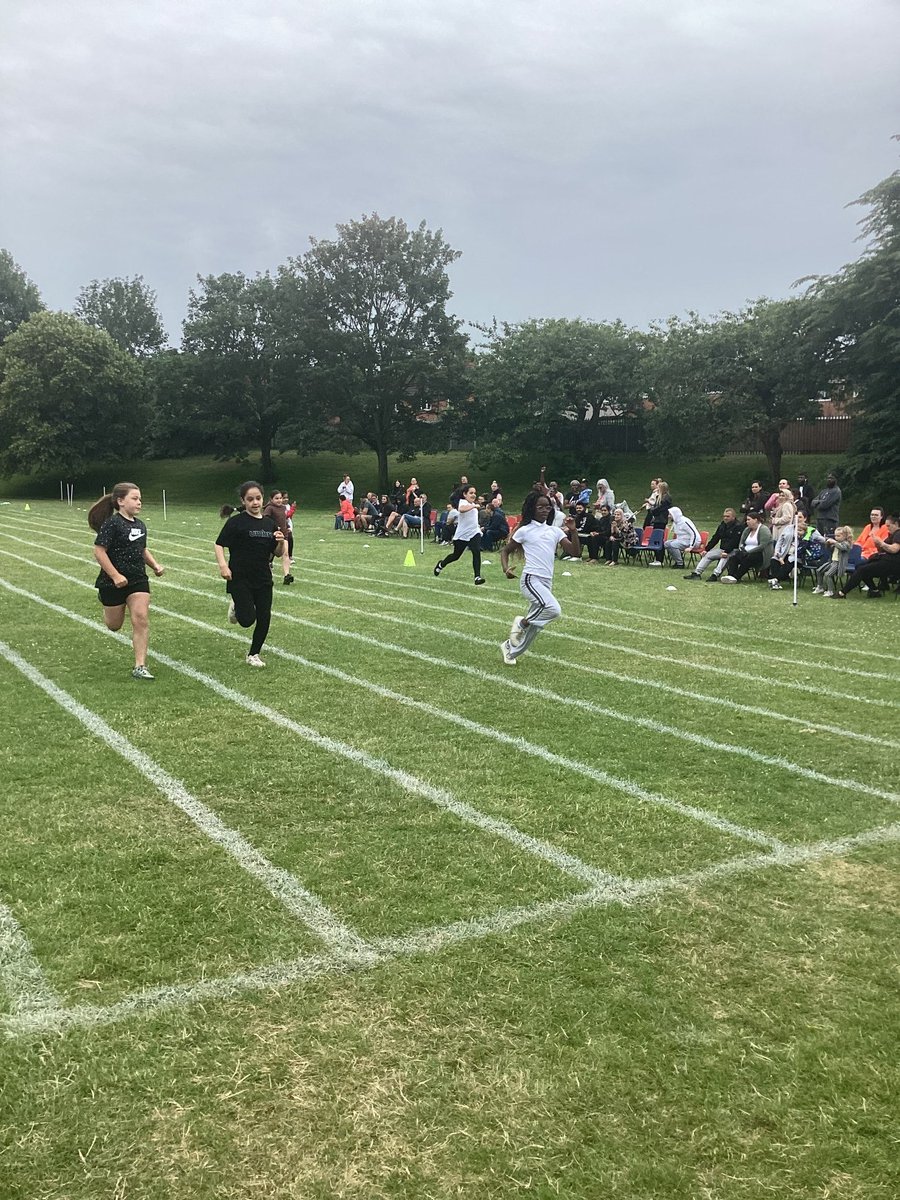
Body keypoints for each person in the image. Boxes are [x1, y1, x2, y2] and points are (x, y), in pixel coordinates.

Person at [88, 482, 164, 681]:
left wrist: (155, 565)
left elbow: (142, 549)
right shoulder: (112, 524)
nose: (139, 502)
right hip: (112, 582)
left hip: (138, 579)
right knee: (114, 625)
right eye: (135, 498)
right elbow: (99, 551)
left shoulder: (140, 524)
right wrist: (115, 576)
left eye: (140, 499)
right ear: (120, 501)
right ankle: (106, 604)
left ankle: (140, 666)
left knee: (140, 618)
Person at [498, 491, 577, 665]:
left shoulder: (555, 531)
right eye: (540, 507)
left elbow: (575, 552)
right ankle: (522, 623)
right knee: (553, 609)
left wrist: (573, 531)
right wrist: (506, 569)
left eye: (547, 507)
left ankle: (510, 651)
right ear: (532, 508)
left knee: (537, 625)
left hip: (546, 581)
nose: (544, 510)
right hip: (531, 579)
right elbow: (505, 551)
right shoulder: (525, 530)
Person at [215, 481, 286, 667]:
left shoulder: (269, 524)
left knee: (264, 617)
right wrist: (223, 565)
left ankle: (253, 654)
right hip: (240, 577)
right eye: (250, 499)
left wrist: (280, 542)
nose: (255, 503)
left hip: (263, 577)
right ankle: (237, 606)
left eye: (258, 498)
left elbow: (277, 554)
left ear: (263, 499)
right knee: (247, 620)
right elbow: (219, 544)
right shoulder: (236, 522)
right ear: (243, 501)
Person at [834, 513, 900, 599]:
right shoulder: (892, 535)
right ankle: (874, 591)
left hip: (894, 563)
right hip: (886, 560)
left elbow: (894, 549)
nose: (887, 528)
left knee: (862, 570)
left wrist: (881, 543)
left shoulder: (898, 534)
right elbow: (882, 549)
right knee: (860, 566)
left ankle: (842, 593)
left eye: (889, 526)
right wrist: (877, 544)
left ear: (896, 524)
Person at [433, 485, 485, 584]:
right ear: (465, 494)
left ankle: (477, 577)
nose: (473, 495)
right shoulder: (463, 502)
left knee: (476, 552)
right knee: (456, 556)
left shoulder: (472, 504)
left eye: (474, 493)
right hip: (462, 534)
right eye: (471, 493)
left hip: (474, 532)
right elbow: (461, 509)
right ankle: (441, 564)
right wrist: (474, 506)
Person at [683, 508, 743, 581]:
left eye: (728, 516)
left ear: (733, 517)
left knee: (725, 557)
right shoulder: (722, 525)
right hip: (722, 549)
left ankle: (715, 575)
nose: (725, 518)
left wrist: (726, 552)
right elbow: (715, 538)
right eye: (724, 516)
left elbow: (735, 541)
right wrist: (706, 549)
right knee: (707, 555)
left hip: (734, 550)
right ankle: (696, 573)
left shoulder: (739, 526)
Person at [720, 510, 774, 583]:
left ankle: (736, 577)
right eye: (746, 520)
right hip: (745, 552)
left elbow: (762, 546)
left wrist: (748, 552)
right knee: (733, 558)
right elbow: (741, 542)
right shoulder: (747, 530)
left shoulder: (764, 530)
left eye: (749, 520)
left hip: (760, 553)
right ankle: (731, 576)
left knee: (748, 558)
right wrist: (741, 549)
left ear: (755, 520)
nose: (747, 522)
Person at [263, 489, 294, 585]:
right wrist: (274, 528)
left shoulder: (283, 508)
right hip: (272, 536)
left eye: (280, 498)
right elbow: (265, 520)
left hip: (283, 535)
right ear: (271, 499)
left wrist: (287, 527)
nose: (279, 500)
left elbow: (284, 519)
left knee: (285, 554)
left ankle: (287, 575)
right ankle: (267, 576)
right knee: (269, 557)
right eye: (276, 498)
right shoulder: (269, 508)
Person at [812, 525, 854, 597]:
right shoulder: (836, 543)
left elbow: (842, 547)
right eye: (835, 536)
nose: (836, 537)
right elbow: (830, 550)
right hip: (832, 562)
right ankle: (820, 586)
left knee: (828, 574)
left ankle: (830, 590)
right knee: (819, 570)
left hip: (838, 563)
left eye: (838, 536)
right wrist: (828, 544)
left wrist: (834, 542)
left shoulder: (846, 543)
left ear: (844, 536)